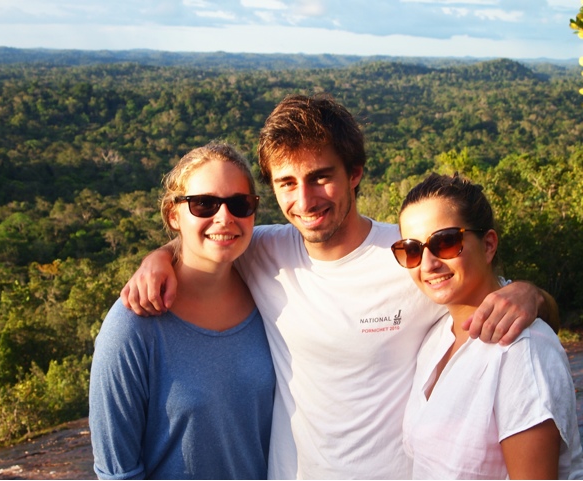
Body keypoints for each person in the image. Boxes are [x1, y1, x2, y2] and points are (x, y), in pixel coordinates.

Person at [121, 94, 558, 479]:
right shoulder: (264, 251)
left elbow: (495, 300)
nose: (305, 200)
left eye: (320, 177)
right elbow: (211, 237)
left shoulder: (411, 255)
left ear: (354, 174)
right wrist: (160, 258)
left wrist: (531, 294)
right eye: (287, 183)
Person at [89, 142, 275, 479]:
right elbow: (117, 471)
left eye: (240, 204)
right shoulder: (134, 326)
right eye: (203, 204)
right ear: (173, 215)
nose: (224, 217)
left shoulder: (270, 290)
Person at [393, 172, 583, 479]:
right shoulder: (438, 335)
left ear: (488, 245)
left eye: (445, 241)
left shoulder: (521, 350)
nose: (428, 264)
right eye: (412, 249)